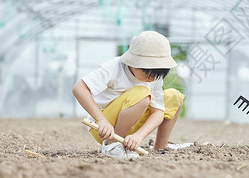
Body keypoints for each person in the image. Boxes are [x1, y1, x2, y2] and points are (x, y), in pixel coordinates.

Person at [72, 31, 185, 159]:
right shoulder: (114, 67)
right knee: (142, 93)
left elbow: (158, 111)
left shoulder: (154, 78)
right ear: (134, 62)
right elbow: (79, 88)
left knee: (174, 96)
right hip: (105, 129)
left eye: (157, 75)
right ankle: (112, 145)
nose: (152, 79)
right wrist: (101, 120)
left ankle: (160, 147)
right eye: (148, 74)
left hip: (133, 124)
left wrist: (139, 136)